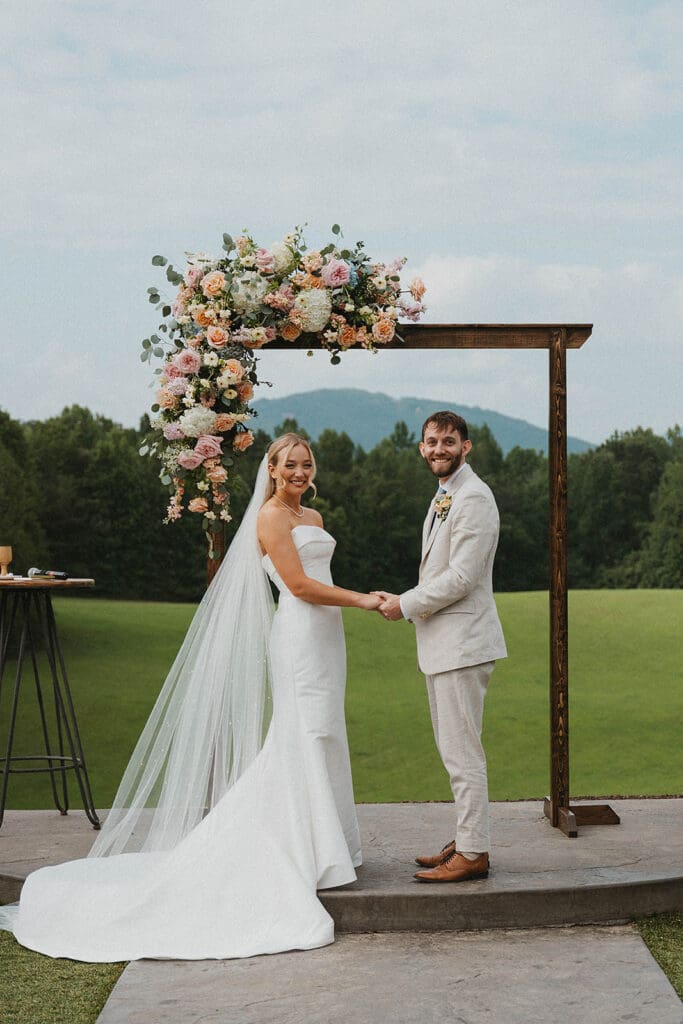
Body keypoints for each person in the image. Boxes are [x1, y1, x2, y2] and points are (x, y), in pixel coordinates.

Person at [0, 434, 381, 961]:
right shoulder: (270, 518)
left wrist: (351, 604)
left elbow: (321, 577)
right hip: (298, 634)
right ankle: (300, 847)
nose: (299, 472)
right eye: (289, 464)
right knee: (304, 733)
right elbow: (298, 586)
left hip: (326, 637)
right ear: (272, 470)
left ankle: (329, 843)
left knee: (326, 731)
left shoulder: (312, 517)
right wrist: (364, 600)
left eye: (306, 464)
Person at [374, 411, 506, 883]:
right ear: (421, 447)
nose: (439, 449)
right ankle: (468, 839)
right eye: (431, 441)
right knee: (454, 751)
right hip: (444, 645)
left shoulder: (474, 497)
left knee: (462, 753)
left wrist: (404, 604)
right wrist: (406, 600)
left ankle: (472, 853)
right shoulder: (446, 493)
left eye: (449, 441)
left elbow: (463, 577)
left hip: (463, 645)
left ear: (465, 446)